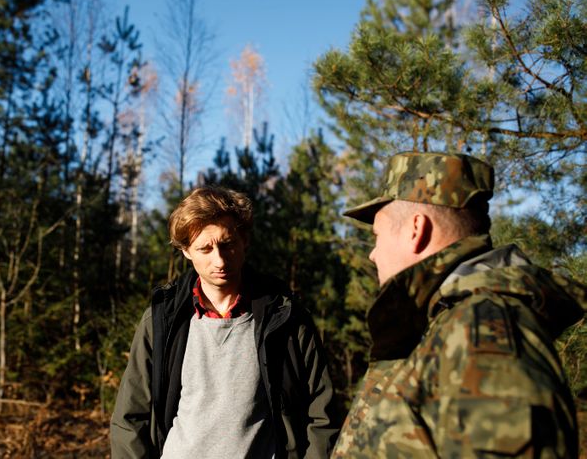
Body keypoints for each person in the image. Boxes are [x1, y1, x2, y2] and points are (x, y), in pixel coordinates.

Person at [332, 152, 586, 458]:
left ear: (416, 230)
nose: (373, 254)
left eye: (377, 236)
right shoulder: (443, 324)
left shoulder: (482, 329)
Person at [111, 185, 339, 459]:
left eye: (227, 244)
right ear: (186, 251)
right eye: (204, 249)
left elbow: (322, 414)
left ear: (244, 240)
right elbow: (131, 417)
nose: (218, 260)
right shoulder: (162, 320)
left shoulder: (287, 317)